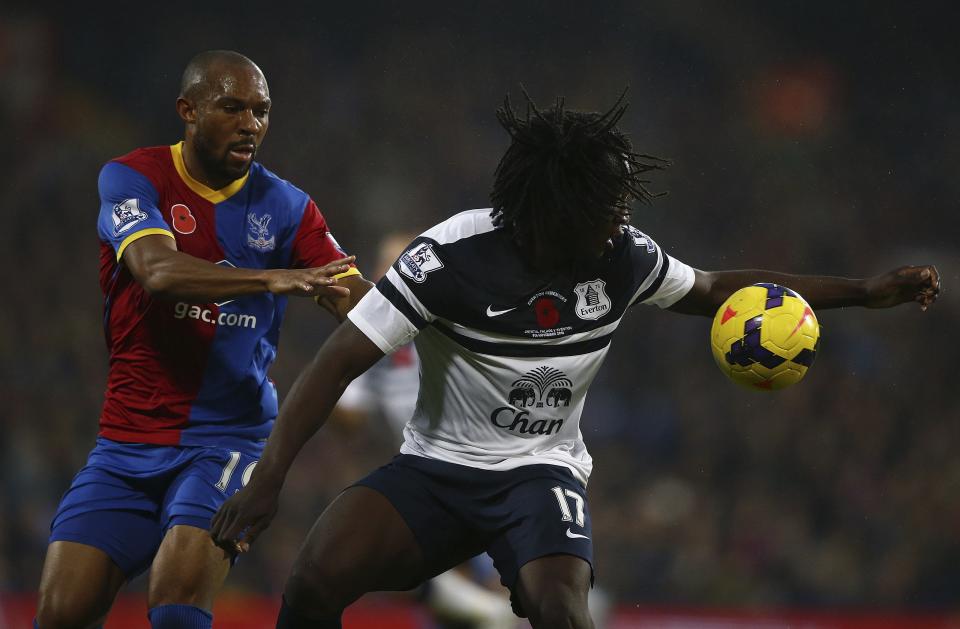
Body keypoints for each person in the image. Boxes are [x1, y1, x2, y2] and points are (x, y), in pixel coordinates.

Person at [210, 92, 940, 629]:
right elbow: (334, 364)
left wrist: (864, 293)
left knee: (559, 610)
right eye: (607, 204)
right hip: (436, 470)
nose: (621, 218)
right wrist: (269, 478)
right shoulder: (451, 257)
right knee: (310, 581)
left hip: (541, 473)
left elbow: (716, 288)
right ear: (555, 211)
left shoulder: (621, 257)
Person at [35, 50, 372, 629]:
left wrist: (417, 305)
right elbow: (157, 271)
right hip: (125, 442)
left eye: (262, 112)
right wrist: (272, 277)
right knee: (59, 613)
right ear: (187, 111)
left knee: (175, 606)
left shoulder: (288, 207)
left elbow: (357, 302)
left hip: (229, 441)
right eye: (232, 107)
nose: (251, 125)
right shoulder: (134, 177)